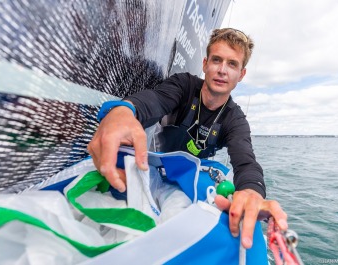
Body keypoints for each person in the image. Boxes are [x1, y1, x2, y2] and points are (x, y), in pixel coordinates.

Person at [88, 28, 288, 249]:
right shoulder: (184, 85)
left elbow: (246, 160)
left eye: (232, 64)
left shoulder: (235, 119)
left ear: (241, 75)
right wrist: (124, 111)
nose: (222, 70)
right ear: (205, 64)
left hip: (187, 177)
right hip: (155, 163)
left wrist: (251, 191)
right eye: (216, 60)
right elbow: (154, 100)